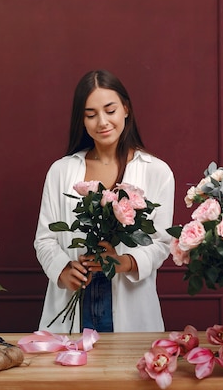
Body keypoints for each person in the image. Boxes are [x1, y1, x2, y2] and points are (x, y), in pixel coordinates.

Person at [34, 69, 175, 333]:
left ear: (126, 109)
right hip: (73, 302)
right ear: (82, 121)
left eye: (110, 110)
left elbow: (161, 242)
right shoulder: (61, 171)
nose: (102, 122)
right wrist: (63, 270)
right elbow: (44, 239)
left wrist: (126, 262)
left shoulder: (157, 171)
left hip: (131, 306)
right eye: (91, 115)